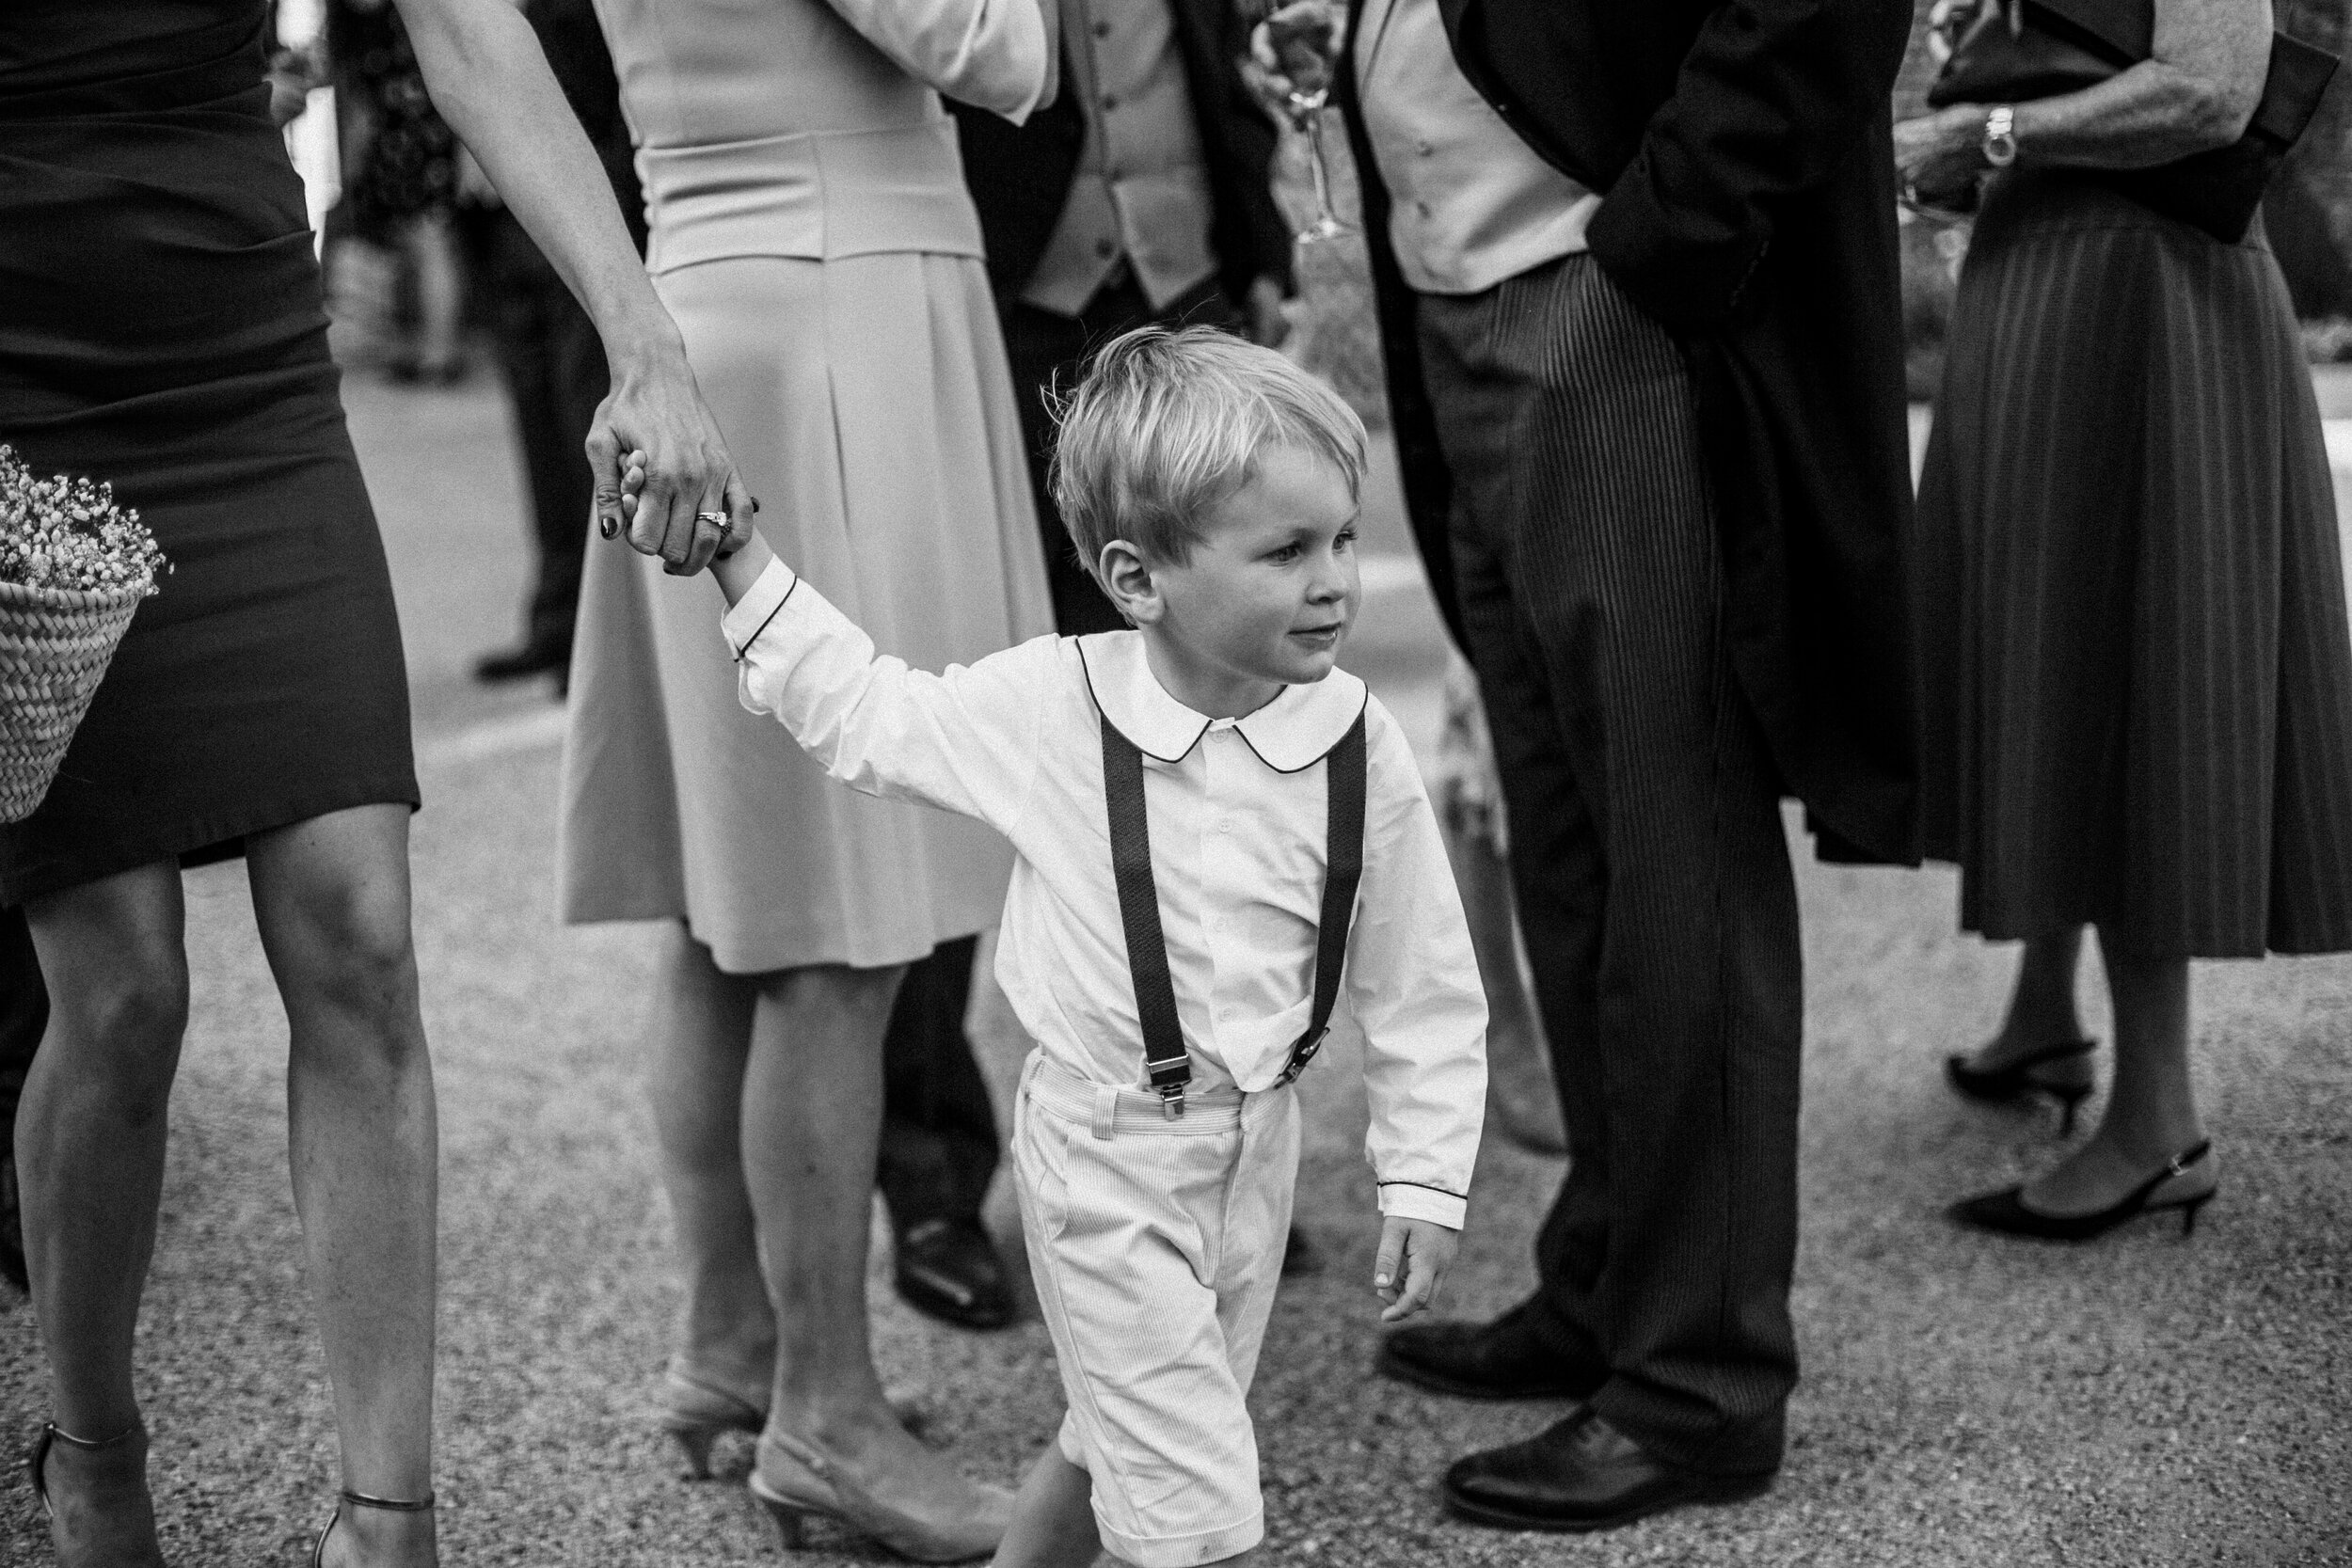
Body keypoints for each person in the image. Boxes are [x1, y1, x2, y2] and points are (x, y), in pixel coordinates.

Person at [0, 0, 747, 1562]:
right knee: (123, 989)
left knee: (361, 933)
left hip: (248, 386)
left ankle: (386, 1523)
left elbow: (473, 38)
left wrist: (647, 338)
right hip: (22, 408)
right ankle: (95, 1449)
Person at [636, 324, 1486, 1568]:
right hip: (1104, 1162)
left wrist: (1421, 1172)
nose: (1338, 580)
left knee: (1116, 1441)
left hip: (1260, 1152)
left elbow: (1421, 981)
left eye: (1346, 538)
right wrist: (739, 559)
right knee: (1198, 1510)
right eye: (1289, 549)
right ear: (1140, 578)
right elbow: (872, 713)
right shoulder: (1054, 709)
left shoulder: (1362, 740)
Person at [1301, 0, 1919, 1532]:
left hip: (1610, 301)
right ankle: (1608, 1281)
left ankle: (1700, 1378)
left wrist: (1659, 246)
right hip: (1461, 303)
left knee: (1673, 843)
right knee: (1571, 851)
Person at [555, 0, 1057, 1554]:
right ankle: (825, 1417)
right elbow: (1000, 48)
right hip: (840, 301)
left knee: (733, 917)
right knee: (837, 925)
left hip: (725, 289)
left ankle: (733, 1351)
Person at [866, 0, 1304, 1332]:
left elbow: (1213, 50)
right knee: (965, 731)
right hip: (998, 308)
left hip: (1191, 302)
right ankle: (935, 1177)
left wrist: (1258, 238)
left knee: (1220, 747)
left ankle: (1221, 1141)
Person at [1899, 0, 2352, 1238]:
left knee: (2124, 661)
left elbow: (2209, 90)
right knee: (2057, 647)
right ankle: (2047, 1008)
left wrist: (1980, 134)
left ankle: (2160, 1121)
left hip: (2146, 293)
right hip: (2057, 271)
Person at [467, 0, 644, 691]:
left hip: (583, 188)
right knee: (538, 422)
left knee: (586, 419)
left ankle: (601, 641)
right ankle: (557, 617)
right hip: (493, 209)